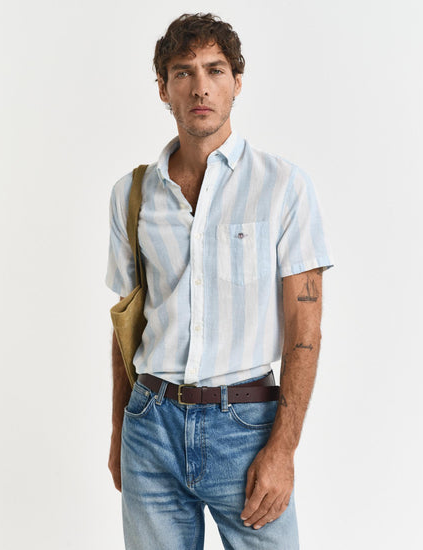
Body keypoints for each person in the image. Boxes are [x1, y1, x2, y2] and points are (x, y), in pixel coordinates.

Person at [105, 12, 334, 550]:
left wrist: (284, 449)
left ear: (237, 83)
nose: (200, 87)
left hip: (247, 429)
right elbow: (125, 326)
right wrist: (119, 431)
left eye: (215, 70)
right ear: (163, 88)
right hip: (150, 423)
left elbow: (305, 331)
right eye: (182, 72)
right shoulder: (131, 195)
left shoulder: (283, 187)